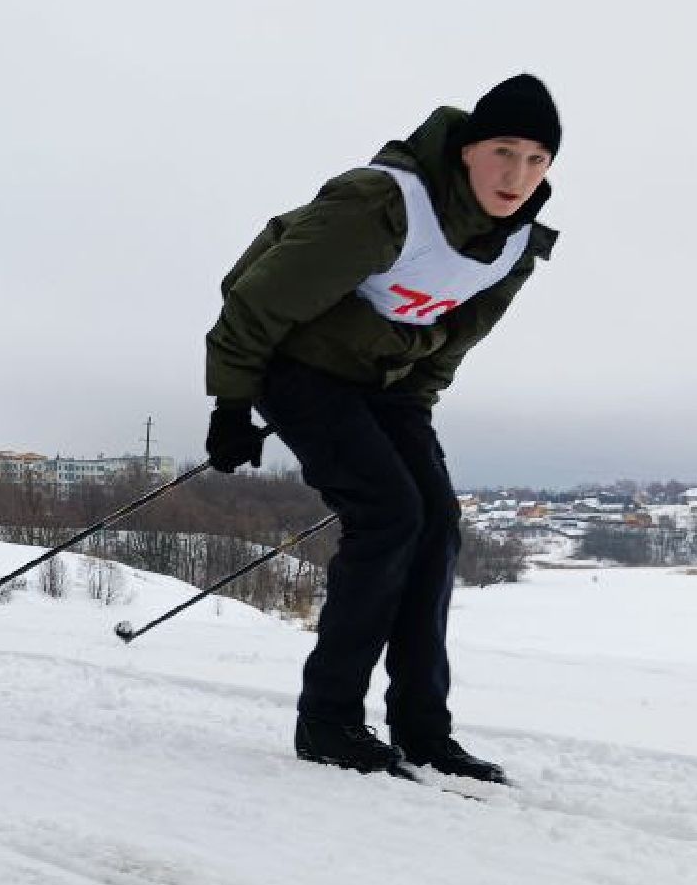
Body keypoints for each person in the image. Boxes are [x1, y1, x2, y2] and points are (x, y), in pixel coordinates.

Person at [200, 74, 561, 784]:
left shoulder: (517, 245)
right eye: (503, 152)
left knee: (437, 523)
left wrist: (411, 416)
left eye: (536, 160)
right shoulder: (383, 205)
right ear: (467, 150)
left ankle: (423, 731)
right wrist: (233, 406)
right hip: (296, 365)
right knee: (389, 515)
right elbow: (257, 301)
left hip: (388, 382)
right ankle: (328, 720)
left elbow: (453, 337)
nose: (517, 175)